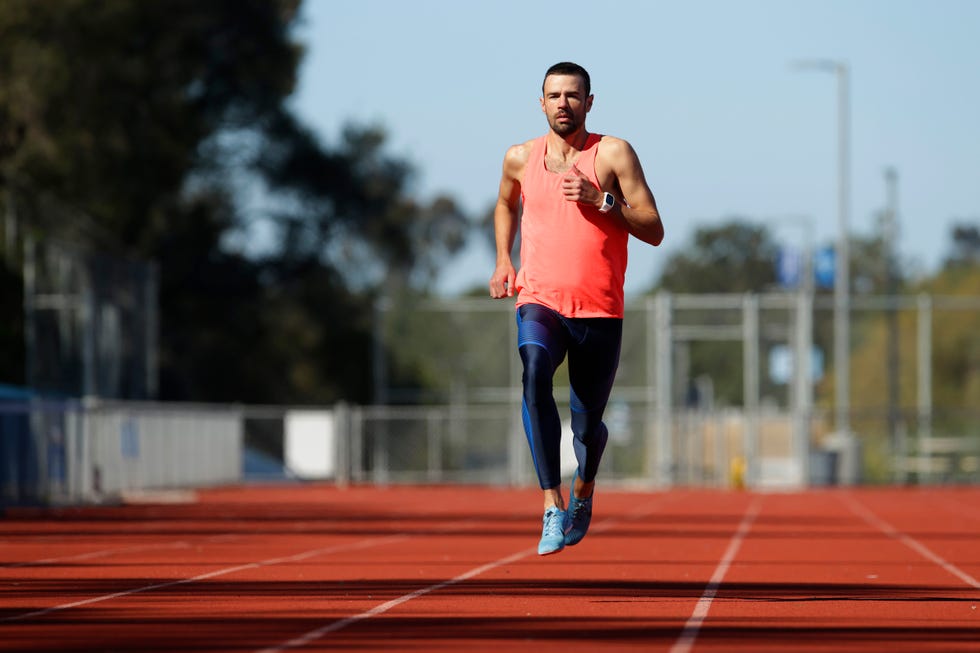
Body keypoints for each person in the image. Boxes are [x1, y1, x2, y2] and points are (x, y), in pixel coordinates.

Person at [488, 62, 664, 555]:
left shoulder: (613, 153)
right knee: (534, 372)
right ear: (540, 103)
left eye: (573, 95)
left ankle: (583, 490)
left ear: (589, 102)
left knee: (587, 426)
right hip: (539, 299)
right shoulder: (520, 158)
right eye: (554, 95)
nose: (562, 103)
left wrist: (602, 200)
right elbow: (505, 204)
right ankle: (550, 503)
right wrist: (504, 258)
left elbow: (653, 227)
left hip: (599, 311)